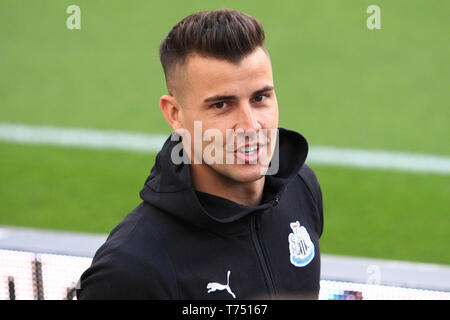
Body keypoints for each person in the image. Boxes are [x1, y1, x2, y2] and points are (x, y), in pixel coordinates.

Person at [77, 8, 323, 300]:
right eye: (221, 105)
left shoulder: (300, 187)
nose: (250, 126)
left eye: (260, 98)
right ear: (175, 114)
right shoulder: (130, 270)